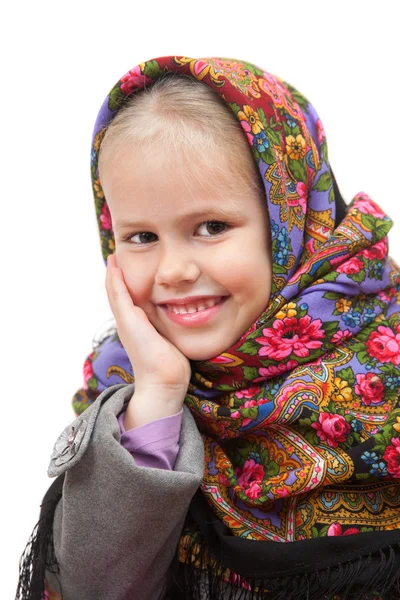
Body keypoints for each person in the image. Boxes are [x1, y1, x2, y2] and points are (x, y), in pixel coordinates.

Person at [16, 55, 400, 600]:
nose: (173, 271)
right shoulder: (124, 387)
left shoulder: (389, 368)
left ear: (291, 220)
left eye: (212, 227)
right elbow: (92, 587)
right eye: (142, 237)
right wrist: (158, 396)